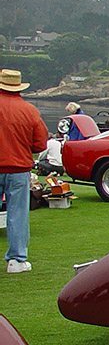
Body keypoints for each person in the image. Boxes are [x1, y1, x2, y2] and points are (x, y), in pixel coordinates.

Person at [0, 69, 48, 273]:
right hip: (19, 168)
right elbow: (39, 144)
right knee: (17, 214)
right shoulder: (29, 111)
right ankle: (17, 260)